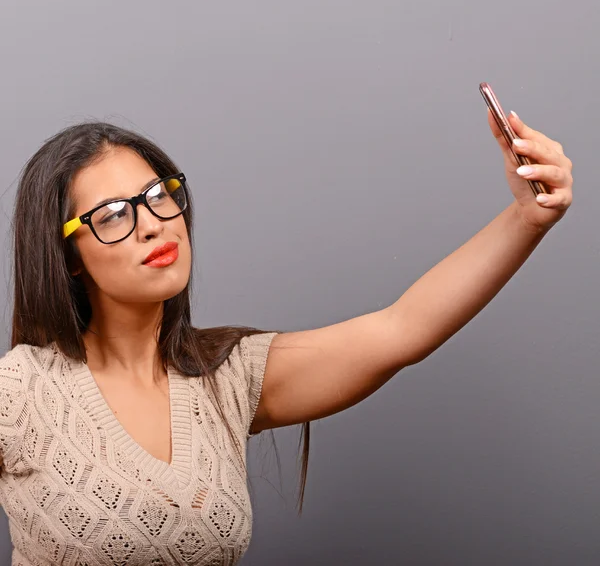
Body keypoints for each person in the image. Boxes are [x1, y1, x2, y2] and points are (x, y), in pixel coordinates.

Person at [0, 109, 573, 565]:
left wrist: (526, 219)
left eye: (157, 196)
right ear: (68, 258)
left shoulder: (227, 379)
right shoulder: (21, 390)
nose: (151, 222)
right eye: (111, 215)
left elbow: (402, 329)